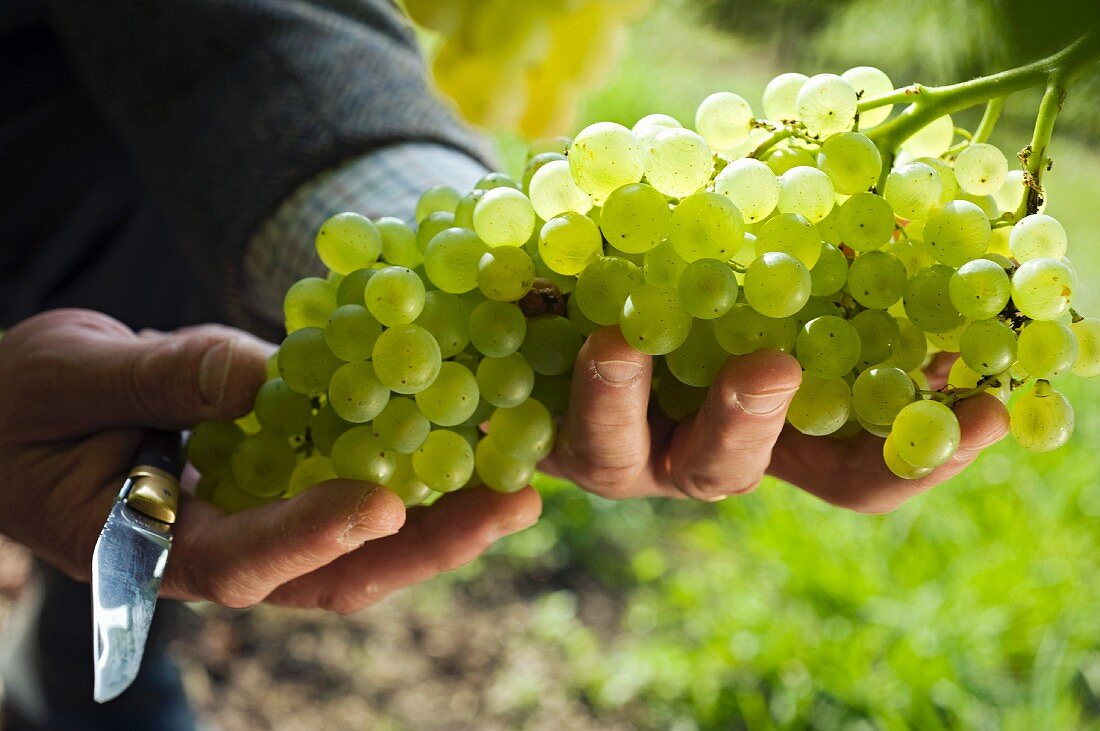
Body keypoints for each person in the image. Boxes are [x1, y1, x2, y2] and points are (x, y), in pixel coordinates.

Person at [0, 0, 1010, 728]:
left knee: (196, 411)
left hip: (82, 109)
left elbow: (222, 27)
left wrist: (478, 271)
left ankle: (78, 681)